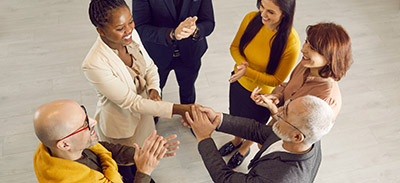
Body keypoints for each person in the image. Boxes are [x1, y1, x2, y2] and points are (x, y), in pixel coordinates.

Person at [83, 0, 190, 148]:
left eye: (131, 21)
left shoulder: (132, 35)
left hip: (145, 115)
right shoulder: (94, 64)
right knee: (128, 166)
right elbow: (131, 102)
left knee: (145, 159)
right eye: (120, 28)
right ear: (101, 31)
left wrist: (153, 89)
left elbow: (150, 66)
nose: (129, 30)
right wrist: (179, 109)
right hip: (122, 127)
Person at [221, 0, 300, 169]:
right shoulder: (250, 18)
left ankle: (243, 149)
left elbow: (277, 80)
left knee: (253, 126)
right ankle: (236, 140)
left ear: (284, 14)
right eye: (261, 7)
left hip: (262, 96)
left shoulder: (291, 42)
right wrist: (243, 66)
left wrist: (246, 71)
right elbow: (235, 47)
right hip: (238, 82)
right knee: (235, 116)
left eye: (270, 12)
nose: (263, 14)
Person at [185, 96, 335, 182]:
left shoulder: (279, 179)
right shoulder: (307, 135)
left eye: (284, 113)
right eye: (285, 106)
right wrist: (219, 120)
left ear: (297, 137)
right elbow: (258, 131)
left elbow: (225, 179)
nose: (277, 111)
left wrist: (204, 137)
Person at [33, 100, 179, 183]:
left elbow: (102, 148)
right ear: (65, 144)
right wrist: (143, 172)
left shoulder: (52, 149)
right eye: (84, 124)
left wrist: (142, 153)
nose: (94, 121)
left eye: (86, 114)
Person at [251, 22, 352, 123]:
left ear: (330, 59)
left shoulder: (325, 98)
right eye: (306, 42)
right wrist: (278, 96)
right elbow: (289, 89)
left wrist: (273, 109)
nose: (303, 49)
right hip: (277, 122)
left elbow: (296, 130)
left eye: (312, 48)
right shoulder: (306, 65)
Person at [133, 0, 215, 105]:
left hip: (190, 52)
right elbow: (140, 27)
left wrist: (195, 30)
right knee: (155, 90)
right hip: (157, 55)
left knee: (188, 89)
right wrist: (172, 34)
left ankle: (187, 114)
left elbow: (209, 22)